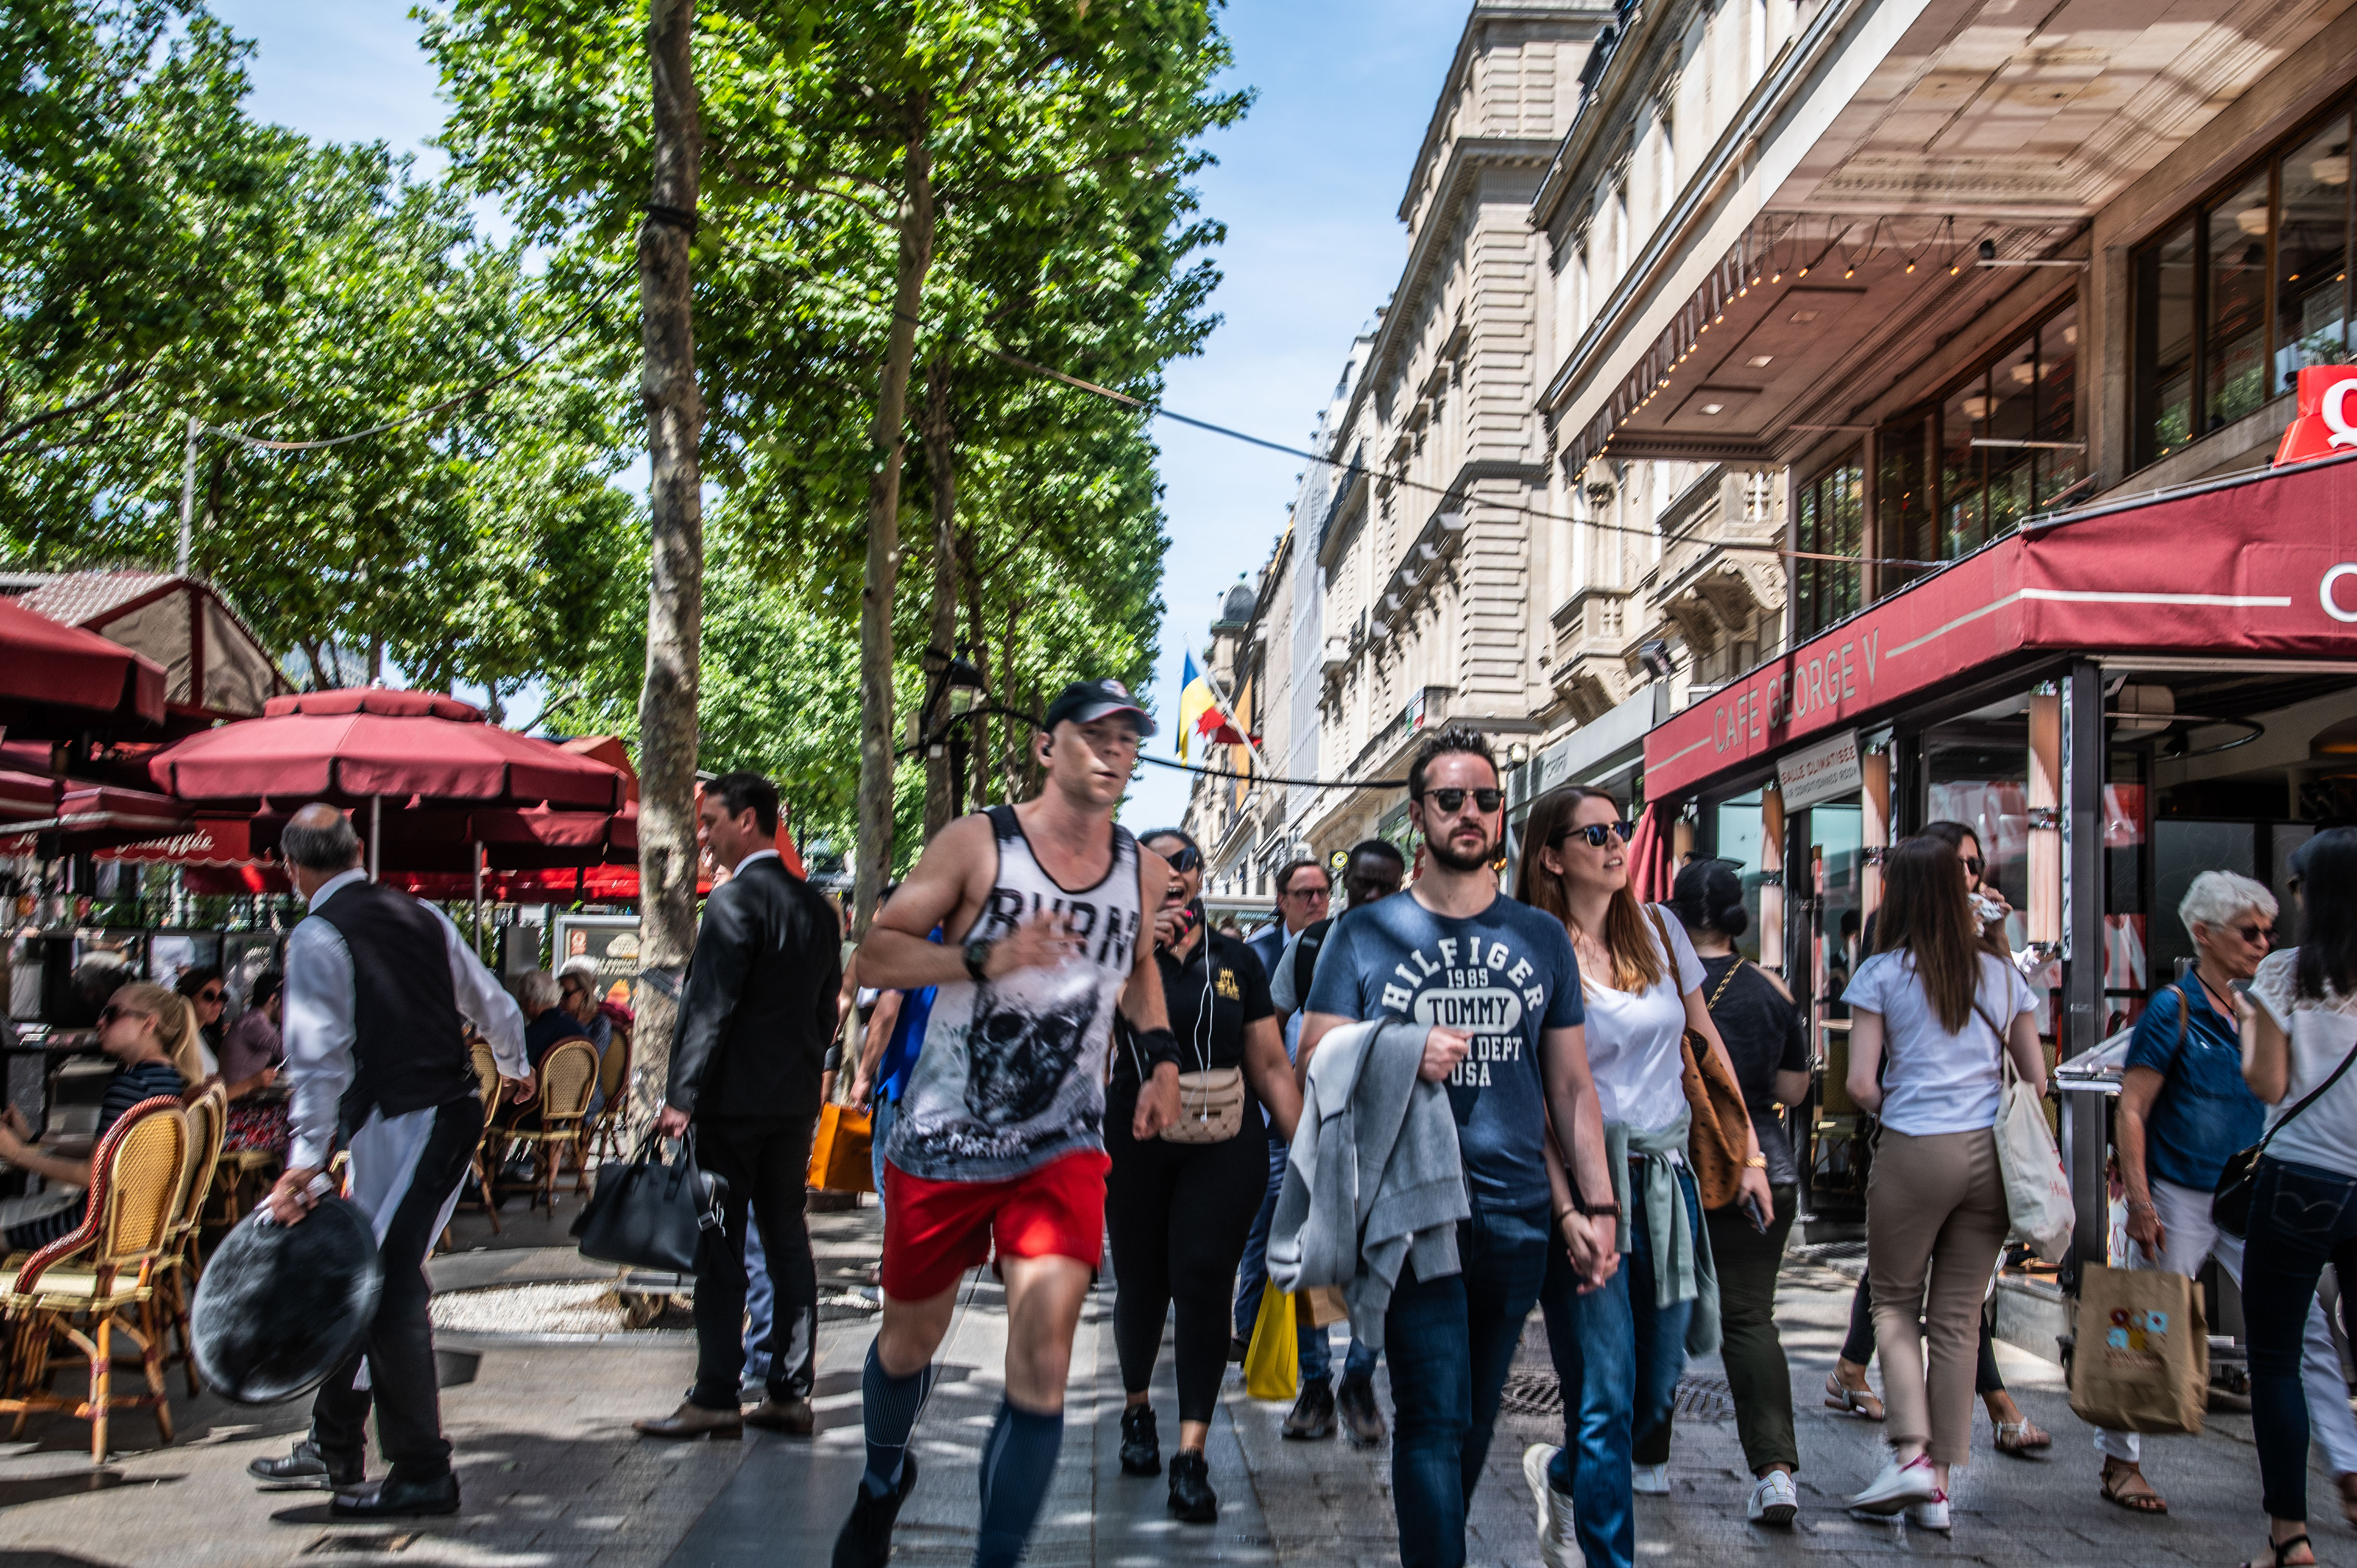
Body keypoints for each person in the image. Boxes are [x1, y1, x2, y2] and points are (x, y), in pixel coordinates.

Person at [832, 677, 1182, 1568]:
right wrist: (985, 954)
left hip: (1061, 1148)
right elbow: (877, 951)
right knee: (909, 1342)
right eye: (1094, 733)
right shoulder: (979, 844)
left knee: (1043, 1363)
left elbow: (1139, 967)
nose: (1115, 750)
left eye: (1129, 738)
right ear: (1046, 746)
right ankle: (881, 1480)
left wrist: (1162, 1061)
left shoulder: (1141, 868)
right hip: (944, 1139)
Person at [1298, 728, 1618, 1568]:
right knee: (1433, 1418)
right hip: (1413, 1210)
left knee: (1472, 1419)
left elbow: (1573, 1088)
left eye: (1484, 799)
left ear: (1502, 815)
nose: (1469, 813)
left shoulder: (1540, 938)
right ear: (1418, 816)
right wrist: (1402, 1045)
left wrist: (1596, 1204)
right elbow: (1313, 1054)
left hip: (1516, 1216)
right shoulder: (1365, 932)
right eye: (1450, 799)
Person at [249, 803, 533, 1519]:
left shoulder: (316, 933)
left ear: (293, 866)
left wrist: (305, 1159)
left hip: (415, 1118)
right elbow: (491, 997)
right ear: (355, 849)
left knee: (385, 1277)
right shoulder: (422, 915)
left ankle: (422, 1471)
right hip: (426, 1113)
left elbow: (316, 1061)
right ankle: (335, 1439)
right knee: (364, 1272)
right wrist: (515, 1060)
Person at [1517, 788, 1773, 1565]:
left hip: (1668, 1180)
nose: (1617, 842)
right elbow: (1536, 1089)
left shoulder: (1661, 929)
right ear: (1553, 857)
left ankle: (1558, 1470)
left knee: (1652, 1390)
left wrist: (1750, 1153)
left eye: (1620, 828)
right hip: (1589, 1180)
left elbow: (1706, 1044)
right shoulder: (1537, 947)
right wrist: (1567, 1205)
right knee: (1602, 1398)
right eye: (1596, 833)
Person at [2097, 870, 2357, 1517]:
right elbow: (2132, 1108)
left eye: (2270, 931)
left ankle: (2350, 1468)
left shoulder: (2268, 999)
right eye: (2249, 932)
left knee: (2308, 1335)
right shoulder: (2172, 1008)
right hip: (2179, 1191)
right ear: (2204, 934)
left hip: (2250, 1189)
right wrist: (2140, 1200)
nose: (2263, 943)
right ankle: (2120, 1460)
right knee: (2143, 1325)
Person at [1839, 833, 2045, 1531]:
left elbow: (1861, 1082)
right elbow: (2036, 1079)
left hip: (1917, 1145)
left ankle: (1911, 1454)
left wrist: (1907, 1099)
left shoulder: (1883, 973)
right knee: (1959, 1318)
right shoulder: (2003, 973)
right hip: (1991, 1153)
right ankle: (1941, 1489)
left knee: (1895, 1304)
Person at [634, 771, 843, 1441]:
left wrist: (680, 1099)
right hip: (789, 1107)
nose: (705, 834)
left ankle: (717, 1393)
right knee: (787, 1240)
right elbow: (825, 1011)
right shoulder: (817, 908)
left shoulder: (730, 905)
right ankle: (790, 1390)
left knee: (720, 1246)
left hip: (729, 1108)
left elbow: (708, 1008)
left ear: (748, 821)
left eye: (713, 821)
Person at [1109, 828, 1303, 1522]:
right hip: (1135, 1137)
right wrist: (1130, 949)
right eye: (1153, 863)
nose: (1172, 874)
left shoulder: (1239, 960)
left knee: (1201, 1279)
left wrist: (1306, 1152)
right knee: (1141, 1281)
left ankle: (1192, 1454)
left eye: (1184, 862)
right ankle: (1138, 1411)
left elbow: (1272, 1065)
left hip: (1224, 1138)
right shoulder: (1114, 951)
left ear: (1200, 874)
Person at [1669, 858, 1809, 1527]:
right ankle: (1776, 1473)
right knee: (1751, 1321)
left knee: (1657, 1310)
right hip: (1765, 1168)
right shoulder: (1772, 990)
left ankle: (1645, 1461)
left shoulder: (1659, 985)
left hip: (1679, 1166)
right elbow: (1793, 1092)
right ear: (1735, 915)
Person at [2235, 827, 2357, 1568]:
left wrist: (2252, 1018)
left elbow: (2268, 1084)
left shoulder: (2285, 973)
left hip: (2298, 1181)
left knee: (2278, 1359)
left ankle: (2291, 1538)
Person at [1264, 839, 1407, 1445]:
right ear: (1347, 884)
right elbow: (1271, 1029)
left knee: (1385, 1266)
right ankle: (1317, 1386)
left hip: (1398, 1135)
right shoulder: (1313, 945)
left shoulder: (1417, 944)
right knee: (1312, 1263)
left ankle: (1360, 1377)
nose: (1371, 897)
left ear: (1402, 883)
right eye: (1362, 885)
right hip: (1321, 1130)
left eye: (1385, 886)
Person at [1232, 856, 1334, 1437]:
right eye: (1303, 893)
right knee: (1263, 1236)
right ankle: (1249, 1335)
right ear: (1281, 899)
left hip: (1329, 1125)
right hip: (1271, 1127)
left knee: (1314, 1250)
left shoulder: (1338, 944)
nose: (1316, 901)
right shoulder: (1260, 953)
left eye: (1322, 891)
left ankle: (1324, 1375)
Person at [0, 982, 193, 1251]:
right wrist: (34, 1139)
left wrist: (18, 1155)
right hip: (130, 1229)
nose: (100, 1022)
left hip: (87, 1231)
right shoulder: (167, 1080)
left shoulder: (131, 1085)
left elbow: (92, 1174)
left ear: (148, 1024)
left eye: (112, 1013)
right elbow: (110, 1151)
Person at [219, 967, 290, 1155]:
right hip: (232, 1116)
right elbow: (288, 1052)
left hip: (237, 1108)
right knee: (301, 1126)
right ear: (274, 1000)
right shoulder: (255, 1022)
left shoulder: (250, 1019)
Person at [178, 965, 228, 1072]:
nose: (218, 1003)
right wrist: (251, 1082)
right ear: (188, 997)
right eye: (209, 996)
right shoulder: (179, 1040)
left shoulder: (198, 1036)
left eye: (222, 997)